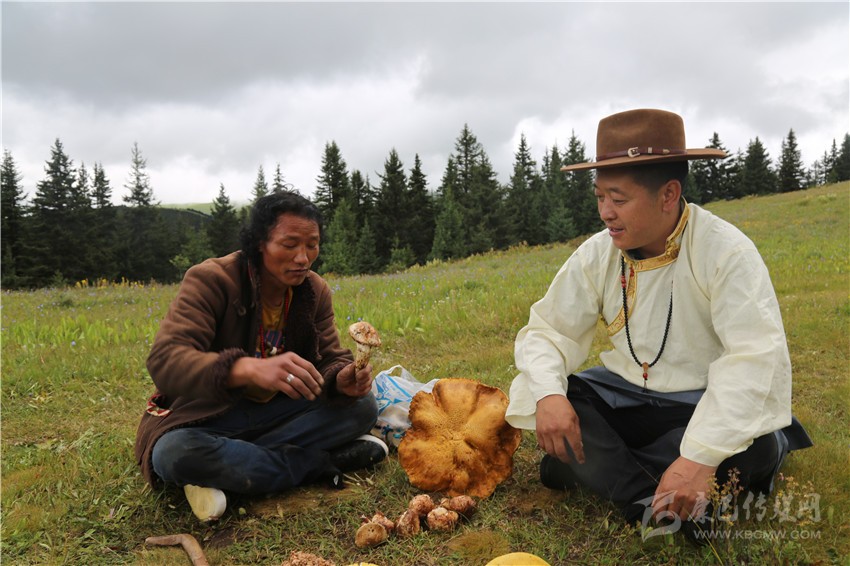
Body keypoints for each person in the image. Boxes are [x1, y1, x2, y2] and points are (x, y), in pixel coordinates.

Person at [505, 109, 811, 539]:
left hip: (701, 403)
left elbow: (754, 360)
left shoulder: (727, 253)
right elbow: (547, 332)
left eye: (618, 199)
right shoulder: (597, 254)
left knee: (757, 443)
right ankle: (652, 500)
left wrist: (699, 456)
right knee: (556, 394)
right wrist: (551, 397)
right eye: (599, 197)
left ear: (668, 195)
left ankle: (617, 473)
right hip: (627, 399)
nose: (605, 212)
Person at [135, 191, 388, 522]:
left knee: (363, 405)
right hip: (211, 414)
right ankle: (325, 462)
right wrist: (247, 369)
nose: (303, 258)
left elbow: (329, 358)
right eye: (289, 244)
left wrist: (341, 380)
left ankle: (232, 469)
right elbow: (165, 361)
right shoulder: (212, 280)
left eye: (312, 245)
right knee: (174, 453)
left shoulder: (314, 291)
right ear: (259, 243)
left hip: (278, 410)